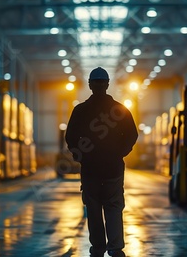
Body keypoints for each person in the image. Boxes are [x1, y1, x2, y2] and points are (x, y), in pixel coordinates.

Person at [65, 67, 138, 257]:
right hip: (113, 168)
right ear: (107, 84)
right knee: (113, 207)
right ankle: (115, 248)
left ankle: (98, 249)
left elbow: (71, 136)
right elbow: (132, 135)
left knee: (94, 211)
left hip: (90, 170)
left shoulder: (80, 110)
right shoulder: (120, 110)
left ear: (90, 85)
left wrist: (79, 155)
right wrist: (121, 152)